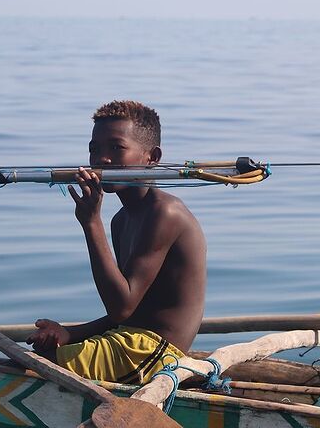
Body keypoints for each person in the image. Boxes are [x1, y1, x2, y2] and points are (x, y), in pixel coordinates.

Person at [26, 100, 207, 384]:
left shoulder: (165, 213)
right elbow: (129, 314)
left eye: (116, 148)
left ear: (152, 157)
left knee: (34, 368)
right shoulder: (122, 220)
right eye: (94, 150)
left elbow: (121, 307)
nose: (103, 159)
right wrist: (70, 333)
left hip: (156, 353)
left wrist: (90, 223)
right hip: (129, 341)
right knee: (36, 355)